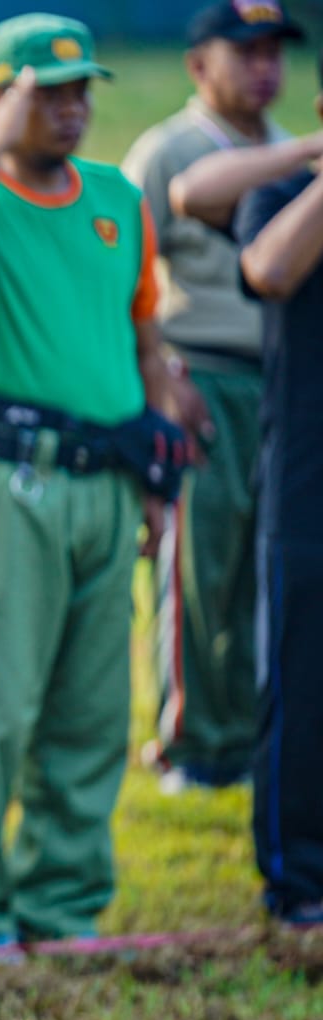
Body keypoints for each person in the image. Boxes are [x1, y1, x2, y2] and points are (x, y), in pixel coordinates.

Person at [0, 14, 181, 952]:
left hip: (108, 482)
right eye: (45, 94)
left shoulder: (116, 200)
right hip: (11, 484)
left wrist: (157, 476)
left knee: (91, 709)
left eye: (80, 91)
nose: (70, 110)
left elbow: (143, 340)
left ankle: (63, 903)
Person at [121, 0, 304, 793]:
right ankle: (193, 743)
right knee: (201, 565)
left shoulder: (289, 153)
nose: (264, 68)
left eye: (274, 53)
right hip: (200, 376)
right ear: (199, 65)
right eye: (246, 52)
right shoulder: (171, 150)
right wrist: (159, 380)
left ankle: (255, 734)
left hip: (283, 383)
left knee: (271, 565)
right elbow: (125, 278)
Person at [229, 66, 323, 930]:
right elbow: (269, 269)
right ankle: (299, 881)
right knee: (303, 682)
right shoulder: (284, 199)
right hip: (307, 487)